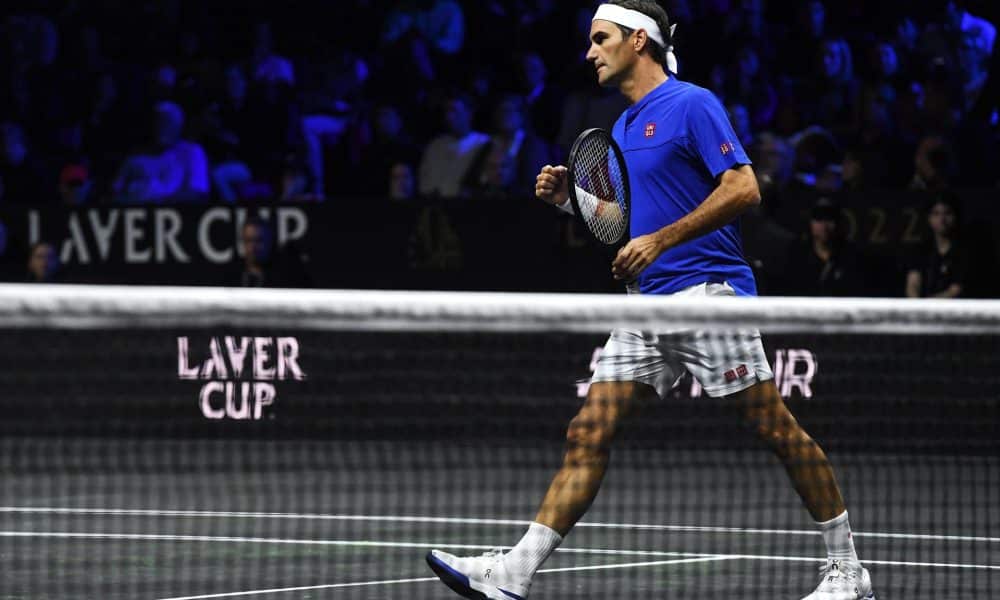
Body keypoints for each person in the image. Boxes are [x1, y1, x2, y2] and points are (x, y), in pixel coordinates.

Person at [425, 3, 875, 600]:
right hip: (645, 307)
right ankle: (515, 573)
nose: (590, 52)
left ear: (639, 40)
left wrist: (660, 241)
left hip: (706, 296)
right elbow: (625, 220)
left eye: (600, 38)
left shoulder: (693, 104)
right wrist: (569, 201)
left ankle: (848, 570)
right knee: (587, 431)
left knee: (774, 428)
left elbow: (744, 188)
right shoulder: (621, 129)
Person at [905, 193, 967, 298]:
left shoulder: (965, 251)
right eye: (936, 214)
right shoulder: (920, 250)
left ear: (956, 217)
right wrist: (916, 304)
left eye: (947, 213)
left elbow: (955, 290)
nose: (942, 219)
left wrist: (928, 305)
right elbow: (912, 284)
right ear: (929, 218)